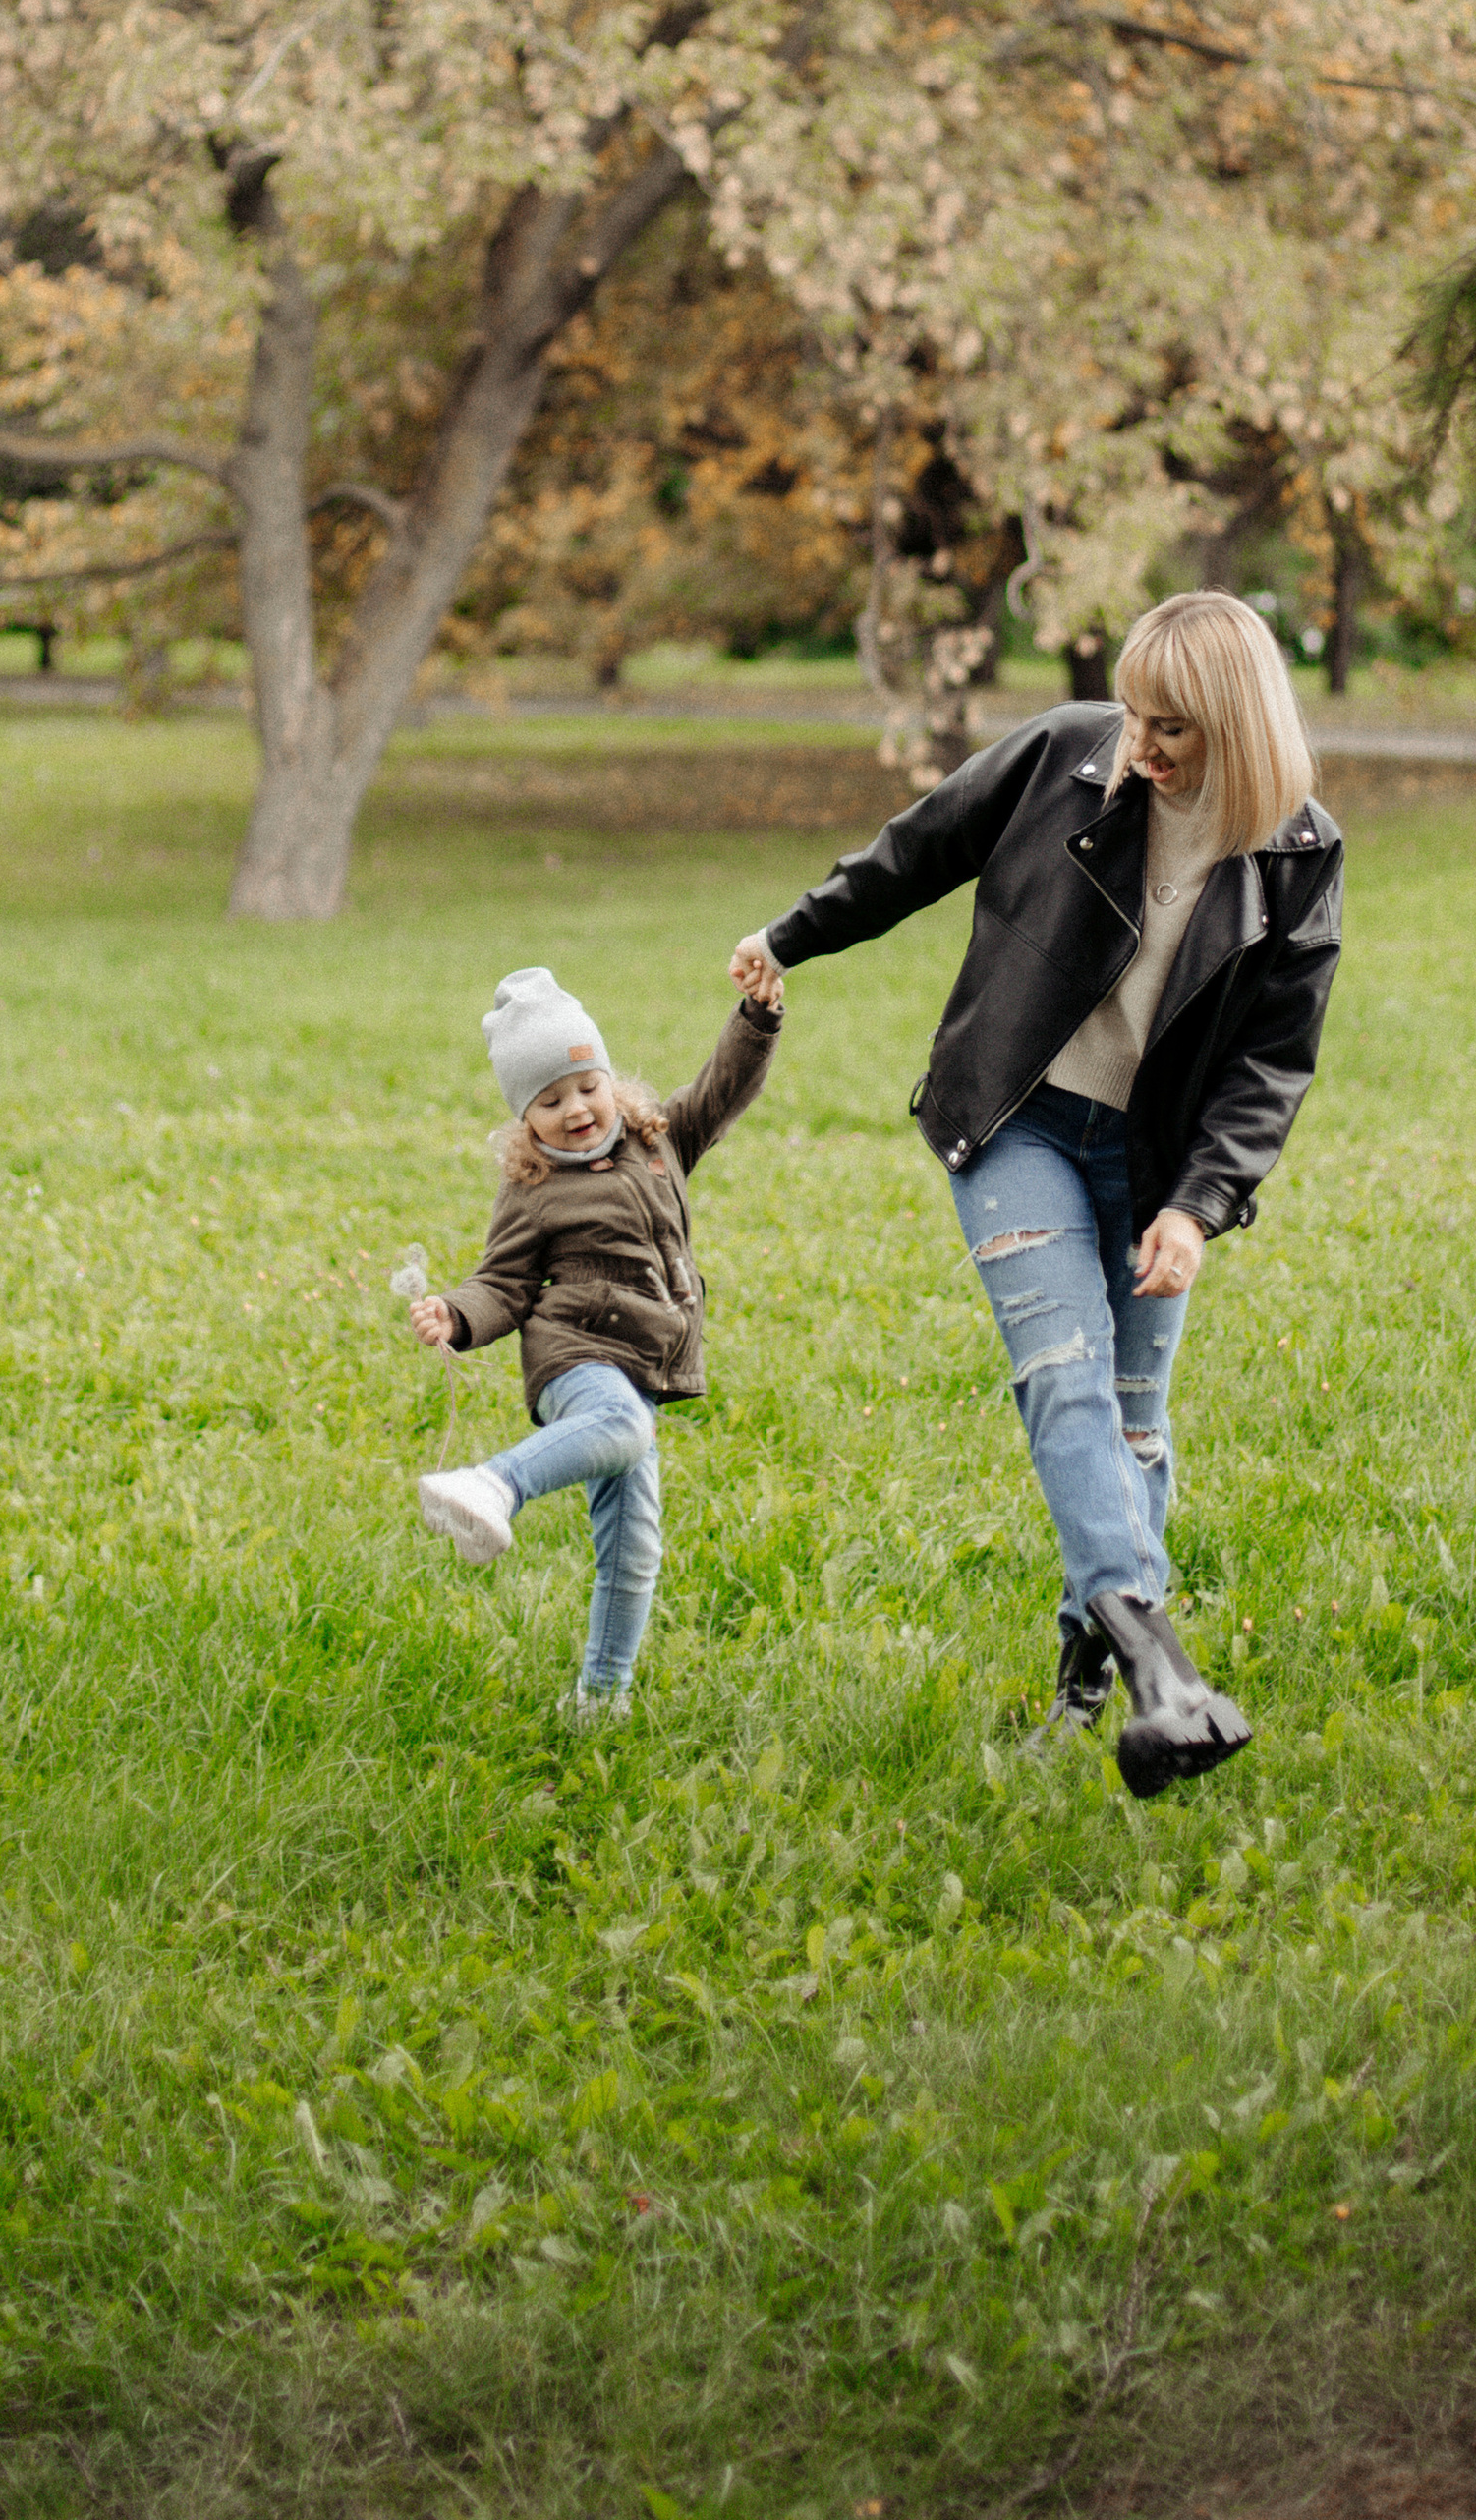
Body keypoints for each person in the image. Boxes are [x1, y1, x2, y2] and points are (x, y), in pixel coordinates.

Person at [729, 590, 1341, 1799]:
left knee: (1130, 1419)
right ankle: (1160, 1669)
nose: (1140, 747)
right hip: (1014, 1121)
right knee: (1062, 1370)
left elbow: (1272, 1058)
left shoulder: (1298, 853)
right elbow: (916, 850)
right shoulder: (1062, 758)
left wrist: (1195, 1207)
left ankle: (1088, 1683)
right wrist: (791, 937)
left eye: (1173, 729)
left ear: (1240, 725)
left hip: (1156, 1163)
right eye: (1133, 714)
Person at [409, 963, 781, 1713]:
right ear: (526, 1117)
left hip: (639, 1364)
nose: (575, 1109)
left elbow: (723, 1086)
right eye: (549, 1101)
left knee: (634, 1544)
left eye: (586, 1086)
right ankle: (494, 1484)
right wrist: (456, 1312)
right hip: (571, 1358)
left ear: (609, 1079)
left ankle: (599, 1702)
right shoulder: (535, 1187)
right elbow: (504, 1284)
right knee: (620, 1426)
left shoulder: (659, 1142)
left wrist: (757, 1017)